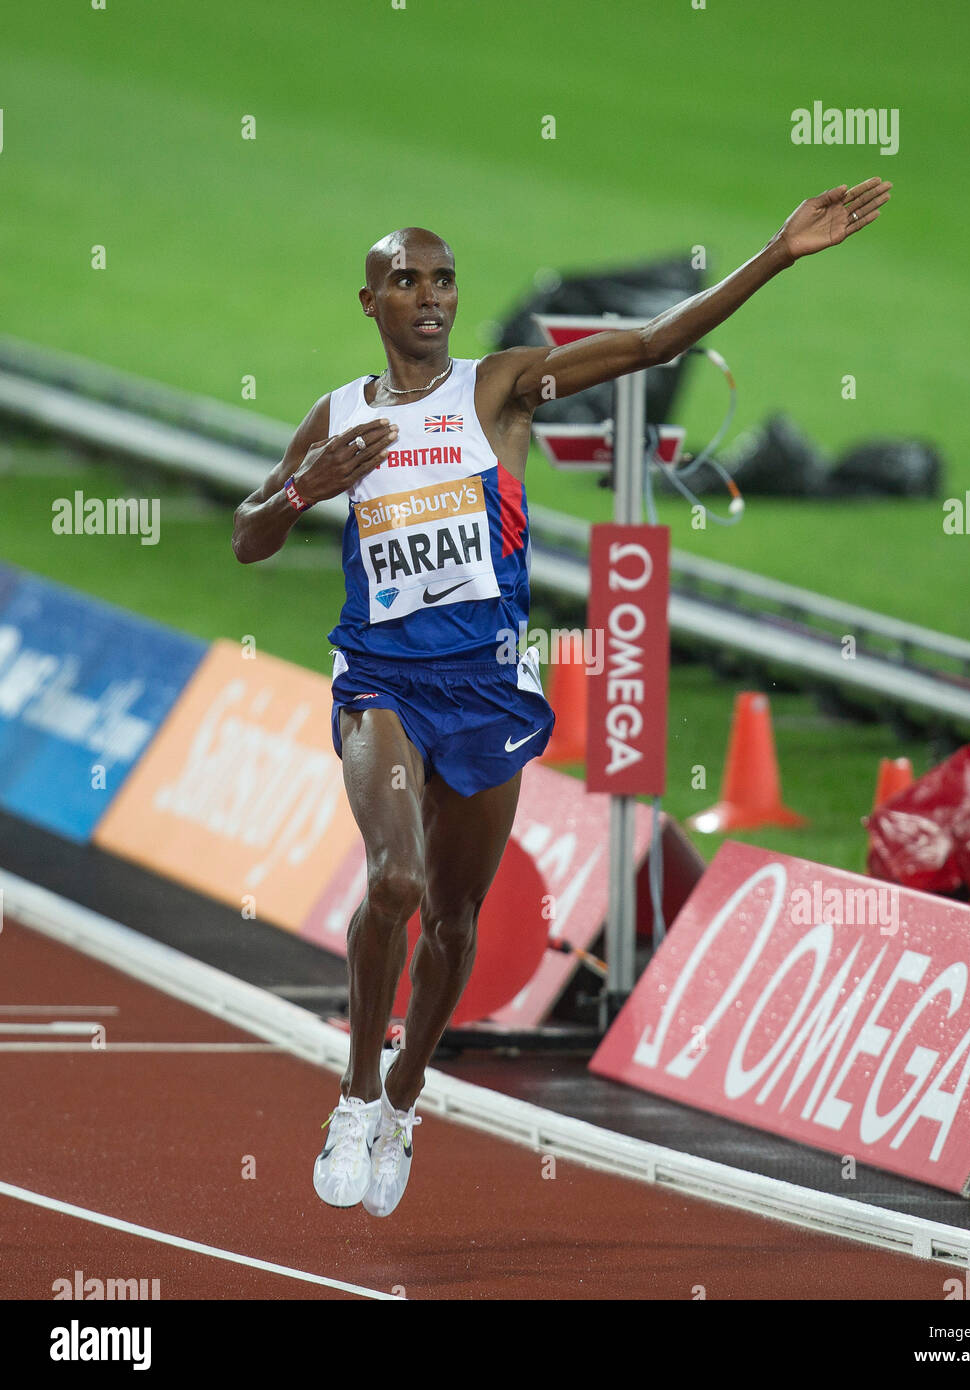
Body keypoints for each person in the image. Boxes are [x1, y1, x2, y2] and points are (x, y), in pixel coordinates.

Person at [230, 177, 892, 1217]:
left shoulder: (495, 390)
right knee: (395, 877)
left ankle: (406, 1093)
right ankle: (355, 1093)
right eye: (406, 280)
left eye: (444, 278)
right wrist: (306, 486)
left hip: (487, 688)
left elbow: (647, 346)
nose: (432, 295)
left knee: (454, 918)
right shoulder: (339, 413)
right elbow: (248, 536)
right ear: (371, 303)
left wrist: (774, 252)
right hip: (382, 681)